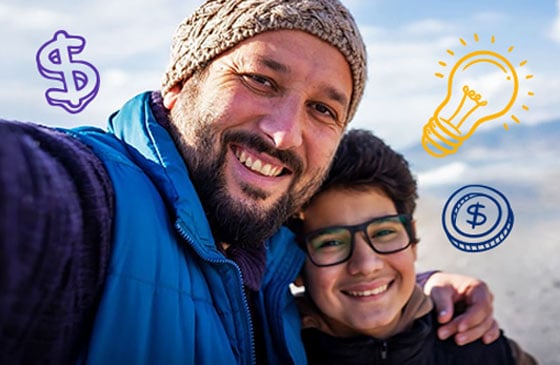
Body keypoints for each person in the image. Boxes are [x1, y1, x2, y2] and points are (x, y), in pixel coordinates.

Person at [0, 1, 497, 364]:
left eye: (323, 109)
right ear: (177, 84)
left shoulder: (269, 259)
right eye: (261, 80)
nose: (283, 133)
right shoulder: (92, 199)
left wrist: (416, 293)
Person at [291, 129, 538, 364]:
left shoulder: (479, 347)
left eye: (385, 232)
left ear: (413, 241)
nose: (366, 265)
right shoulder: (272, 351)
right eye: (332, 242)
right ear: (294, 264)